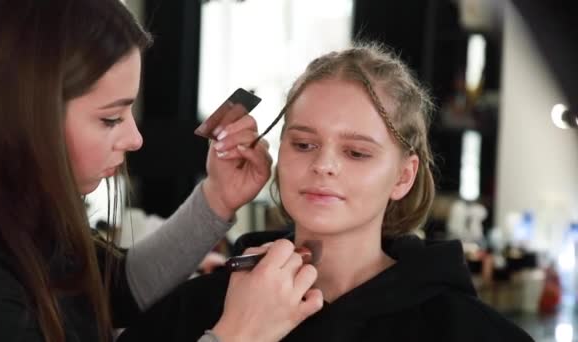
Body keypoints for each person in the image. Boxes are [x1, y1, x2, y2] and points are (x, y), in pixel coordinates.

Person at [116, 43, 534, 341]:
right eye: (303, 144)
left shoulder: (467, 330)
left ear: (403, 177)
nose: (324, 165)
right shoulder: (201, 309)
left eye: (356, 152)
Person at [0, 1, 322, 342]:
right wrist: (240, 334)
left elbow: (116, 291)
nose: (135, 139)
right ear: (22, 117)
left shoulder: (29, 217)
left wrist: (218, 198)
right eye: (110, 118)